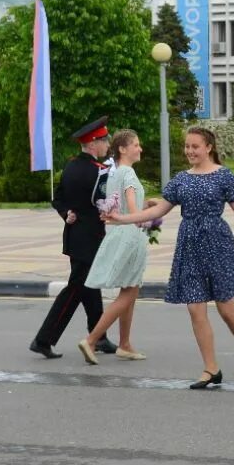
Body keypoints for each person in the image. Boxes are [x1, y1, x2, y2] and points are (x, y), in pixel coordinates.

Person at [109, 127, 234, 390]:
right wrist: (121, 218)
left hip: (218, 243)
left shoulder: (224, 175)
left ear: (208, 148)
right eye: (187, 146)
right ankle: (210, 368)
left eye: (195, 146)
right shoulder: (181, 179)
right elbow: (157, 209)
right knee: (195, 308)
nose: (190, 151)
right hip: (190, 244)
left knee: (226, 309)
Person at [29, 117, 119, 359]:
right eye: (103, 140)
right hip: (89, 239)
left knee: (91, 286)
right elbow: (106, 203)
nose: (107, 144)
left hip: (75, 237)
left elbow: (57, 199)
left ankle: (98, 336)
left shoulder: (70, 167)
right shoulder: (98, 173)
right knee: (75, 290)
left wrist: (66, 213)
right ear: (92, 143)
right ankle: (43, 339)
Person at [77, 129, 149, 364]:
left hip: (119, 233)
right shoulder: (128, 173)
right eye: (136, 144)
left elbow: (121, 207)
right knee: (128, 293)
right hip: (131, 236)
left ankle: (125, 344)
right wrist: (145, 215)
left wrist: (148, 204)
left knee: (129, 290)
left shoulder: (114, 174)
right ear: (123, 149)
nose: (140, 148)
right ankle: (91, 340)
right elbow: (132, 209)